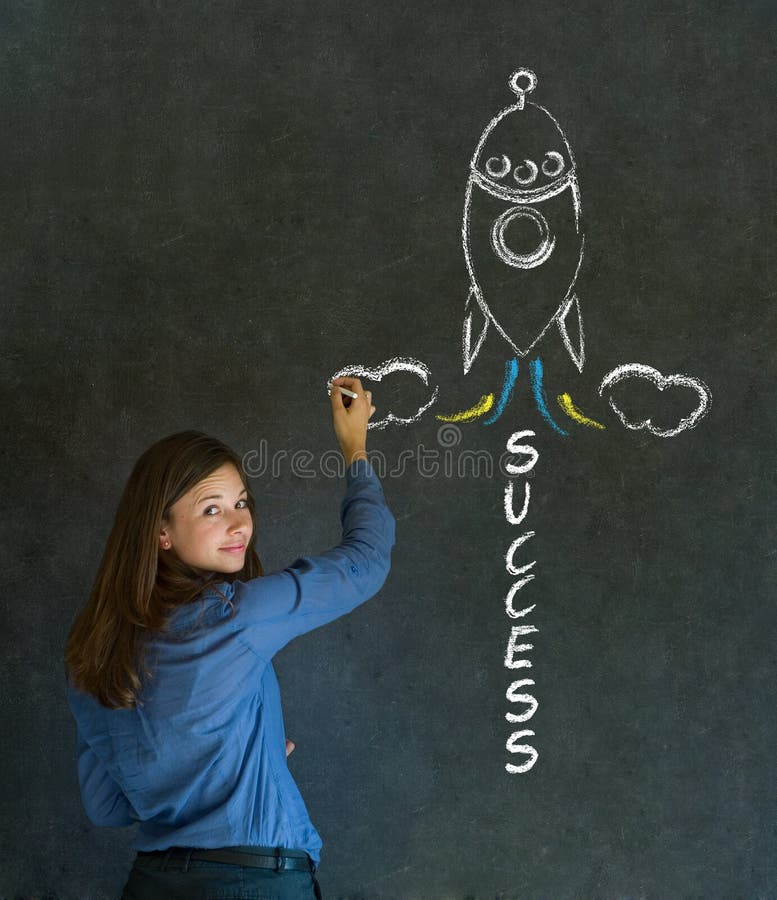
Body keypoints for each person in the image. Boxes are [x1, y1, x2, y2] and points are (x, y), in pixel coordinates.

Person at [64, 377, 395, 900]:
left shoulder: (91, 652)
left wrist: (225, 764)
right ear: (162, 531)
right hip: (252, 882)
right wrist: (355, 447)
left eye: (242, 502)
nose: (240, 523)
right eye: (211, 509)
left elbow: (105, 807)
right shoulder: (235, 617)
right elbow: (367, 562)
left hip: (152, 884)